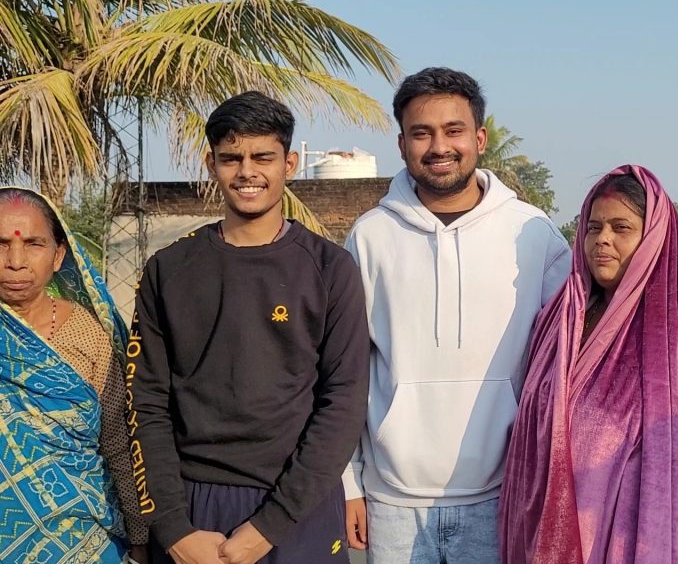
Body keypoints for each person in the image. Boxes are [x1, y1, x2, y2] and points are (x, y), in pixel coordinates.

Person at [128, 91, 370, 564]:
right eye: (231, 158)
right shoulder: (168, 269)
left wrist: (271, 525)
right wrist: (172, 527)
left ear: (290, 164)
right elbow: (145, 403)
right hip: (193, 505)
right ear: (211, 164)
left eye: (263, 157)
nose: (247, 172)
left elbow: (344, 401)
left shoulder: (330, 268)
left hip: (298, 504)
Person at [342, 67, 571, 563]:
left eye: (453, 130)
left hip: (503, 494)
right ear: (402, 144)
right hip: (393, 501)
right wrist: (348, 482)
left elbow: (565, 364)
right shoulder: (369, 237)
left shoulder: (534, 235)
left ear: (479, 139)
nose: (439, 147)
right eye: (422, 133)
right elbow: (345, 367)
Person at [499, 166, 678, 564]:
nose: (603, 239)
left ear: (653, 239)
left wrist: (677, 552)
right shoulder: (560, 326)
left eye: (621, 228)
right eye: (593, 227)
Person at [0, 187, 147, 563]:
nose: (15, 261)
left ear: (58, 255)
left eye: (33, 244)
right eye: (0, 244)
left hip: (83, 538)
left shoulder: (89, 334)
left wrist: (141, 537)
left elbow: (117, 442)